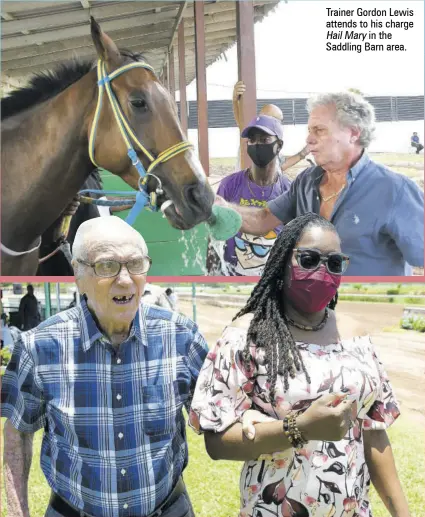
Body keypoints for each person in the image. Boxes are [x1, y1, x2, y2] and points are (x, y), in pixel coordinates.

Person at [191, 213, 410, 517]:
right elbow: (216, 442)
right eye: (308, 259)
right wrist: (300, 428)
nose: (322, 271)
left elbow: (374, 431)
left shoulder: (356, 336)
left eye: (334, 263)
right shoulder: (246, 336)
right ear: (281, 263)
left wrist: (402, 513)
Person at [2, 216, 209, 517]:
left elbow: (216, 410)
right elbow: (17, 435)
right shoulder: (39, 347)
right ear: (78, 273)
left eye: (136, 264)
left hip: (168, 509)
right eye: (107, 266)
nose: (125, 279)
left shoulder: (181, 337)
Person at [217, 91, 424, 276]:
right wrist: (219, 207)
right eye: (309, 130)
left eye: (319, 130)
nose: (309, 139)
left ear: (353, 133)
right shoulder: (305, 183)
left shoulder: (396, 191)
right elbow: (262, 220)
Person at [207, 115, 291, 276]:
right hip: (233, 273)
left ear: (279, 145)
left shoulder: (289, 190)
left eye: (265, 139)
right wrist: (212, 276)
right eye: (252, 140)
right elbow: (214, 237)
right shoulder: (229, 185)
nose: (257, 145)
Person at [233, 81, 309, 172]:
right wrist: (235, 100)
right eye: (274, 120)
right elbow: (241, 123)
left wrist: (304, 152)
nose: (279, 125)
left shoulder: (272, 142)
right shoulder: (252, 140)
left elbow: (281, 164)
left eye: (280, 121)